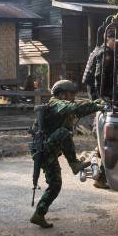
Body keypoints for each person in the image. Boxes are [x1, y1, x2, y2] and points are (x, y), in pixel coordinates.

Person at [30, 80, 106, 228]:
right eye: (70, 94)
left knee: (55, 185)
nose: (72, 97)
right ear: (63, 94)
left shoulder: (58, 104)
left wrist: (98, 101)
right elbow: (75, 108)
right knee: (65, 132)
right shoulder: (57, 104)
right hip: (45, 150)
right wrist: (99, 105)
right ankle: (74, 163)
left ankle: (38, 214)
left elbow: (77, 104)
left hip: (47, 149)